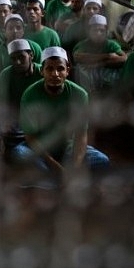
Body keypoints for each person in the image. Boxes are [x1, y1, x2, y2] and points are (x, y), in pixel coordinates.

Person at [12, 46, 110, 174]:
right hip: (41, 148)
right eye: (50, 69)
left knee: (102, 161)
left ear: (67, 70)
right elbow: (30, 137)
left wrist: (74, 167)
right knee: (20, 154)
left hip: (68, 148)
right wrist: (54, 165)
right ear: (42, 71)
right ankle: (54, 174)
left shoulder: (79, 95)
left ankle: (51, 177)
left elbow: (81, 136)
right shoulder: (30, 94)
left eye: (60, 69)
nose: (55, 74)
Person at [0, 39, 43, 154]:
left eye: (21, 57)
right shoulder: (5, 75)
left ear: (30, 55)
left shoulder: (42, 72)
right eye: (13, 58)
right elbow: (2, 103)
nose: (17, 62)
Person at [72, 14, 127, 94]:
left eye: (102, 30)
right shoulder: (84, 44)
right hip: (89, 78)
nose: (98, 33)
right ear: (89, 31)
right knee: (82, 69)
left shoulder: (111, 44)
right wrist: (108, 56)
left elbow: (123, 58)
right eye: (95, 30)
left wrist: (98, 64)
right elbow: (78, 57)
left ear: (106, 31)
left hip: (105, 79)